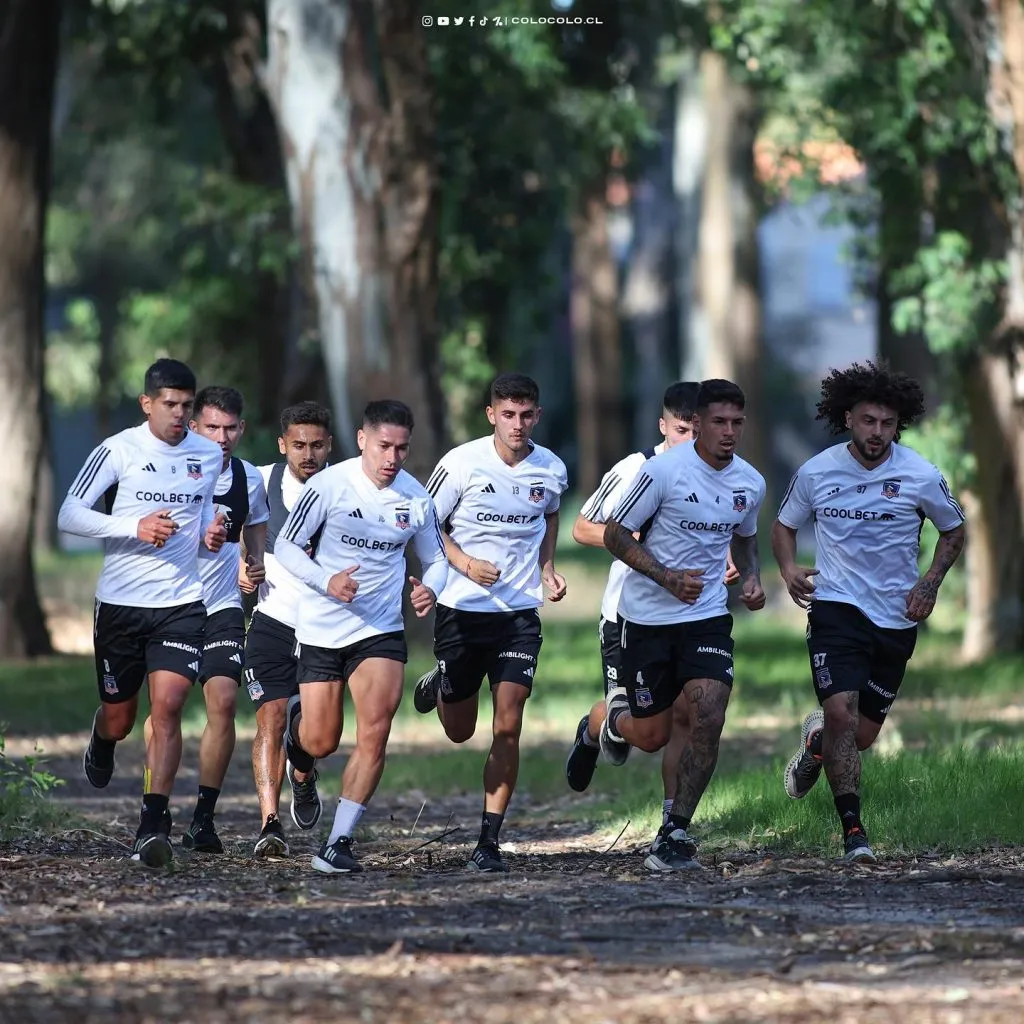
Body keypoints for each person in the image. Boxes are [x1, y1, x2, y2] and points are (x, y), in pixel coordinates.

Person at [772, 361, 966, 863]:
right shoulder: (817, 471)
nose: (877, 432)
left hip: (897, 615)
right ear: (848, 418)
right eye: (867, 421)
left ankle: (817, 744)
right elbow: (784, 525)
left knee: (857, 735)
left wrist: (930, 583)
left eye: (886, 423)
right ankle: (853, 832)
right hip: (836, 607)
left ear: (897, 424)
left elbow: (954, 529)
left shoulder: (921, 474)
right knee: (841, 710)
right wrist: (789, 569)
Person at [592, 379, 767, 871]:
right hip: (646, 617)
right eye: (718, 422)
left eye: (737, 423)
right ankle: (606, 722)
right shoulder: (662, 472)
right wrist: (666, 577)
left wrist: (750, 578)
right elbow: (614, 534)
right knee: (650, 736)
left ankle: (675, 829)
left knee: (709, 713)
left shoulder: (749, 482)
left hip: (706, 615)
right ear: (699, 423)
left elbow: (746, 537)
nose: (728, 432)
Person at [58, 358, 227, 867]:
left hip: (179, 602)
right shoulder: (119, 449)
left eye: (187, 406)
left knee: (170, 706)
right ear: (147, 403)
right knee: (122, 717)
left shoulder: (207, 454)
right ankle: (102, 735)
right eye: (170, 405)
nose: (180, 415)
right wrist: (135, 526)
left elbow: (196, 524)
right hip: (120, 606)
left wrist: (206, 536)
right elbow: (69, 514)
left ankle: (151, 825)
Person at [276, 400, 449, 874]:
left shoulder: (415, 498)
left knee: (375, 731)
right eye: (383, 447)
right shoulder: (328, 486)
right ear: (361, 441)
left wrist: (431, 587)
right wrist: (326, 580)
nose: (392, 458)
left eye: (401, 448)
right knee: (322, 740)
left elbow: (436, 559)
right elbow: (287, 547)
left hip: (379, 629)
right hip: (322, 627)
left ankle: (339, 842)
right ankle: (299, 745)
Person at [412, 373, 568, 873]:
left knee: (509, 725)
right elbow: (427, 525)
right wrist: (462, 563)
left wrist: (546, 568)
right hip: (461, 610)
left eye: (525, 416)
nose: (517, 425)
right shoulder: (460, 464)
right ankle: (441, 684)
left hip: (518, 615)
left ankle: (488, 839)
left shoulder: (551, 469)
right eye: (507, 415)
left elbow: (550, 517)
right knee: (459, 730)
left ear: (537, 416)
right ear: (491, 415)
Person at [565, 381, 740, 810]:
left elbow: (719, 529)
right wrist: (636, 537)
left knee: (689, 716)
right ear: (664, 426)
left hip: (692, 614)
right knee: (650, 734)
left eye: (697, 430)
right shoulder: (637, 469)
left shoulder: (719, 472)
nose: (691, 440)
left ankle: (672, 824)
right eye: (682, 430)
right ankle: (597, 726)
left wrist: (732, 563)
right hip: (629, 615)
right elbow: (583, 526)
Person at [142, 386, 270, 854]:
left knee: (223, 700)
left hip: (222, 606)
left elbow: (254, 526)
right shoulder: (169, 472)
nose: (222, 437)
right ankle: (153, 808)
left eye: (230, 427)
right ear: (193, 426)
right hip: (170, 606)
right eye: (212, 427)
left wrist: (252, 562)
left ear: (242, 429)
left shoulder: (249, 478)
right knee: (164, 710)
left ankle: (203, 818)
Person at [242, 401, 332, 856]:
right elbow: (232, 524)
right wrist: (241, 566)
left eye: (316, 445)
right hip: (272, 620)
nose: (308, 454)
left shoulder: (348, 486)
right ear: (282, 445)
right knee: (271, 720)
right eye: (298, 445)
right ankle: (269, 824)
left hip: (325, 630)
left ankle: (303, 772)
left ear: (329, 445)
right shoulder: (259, 480)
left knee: (316, 733)